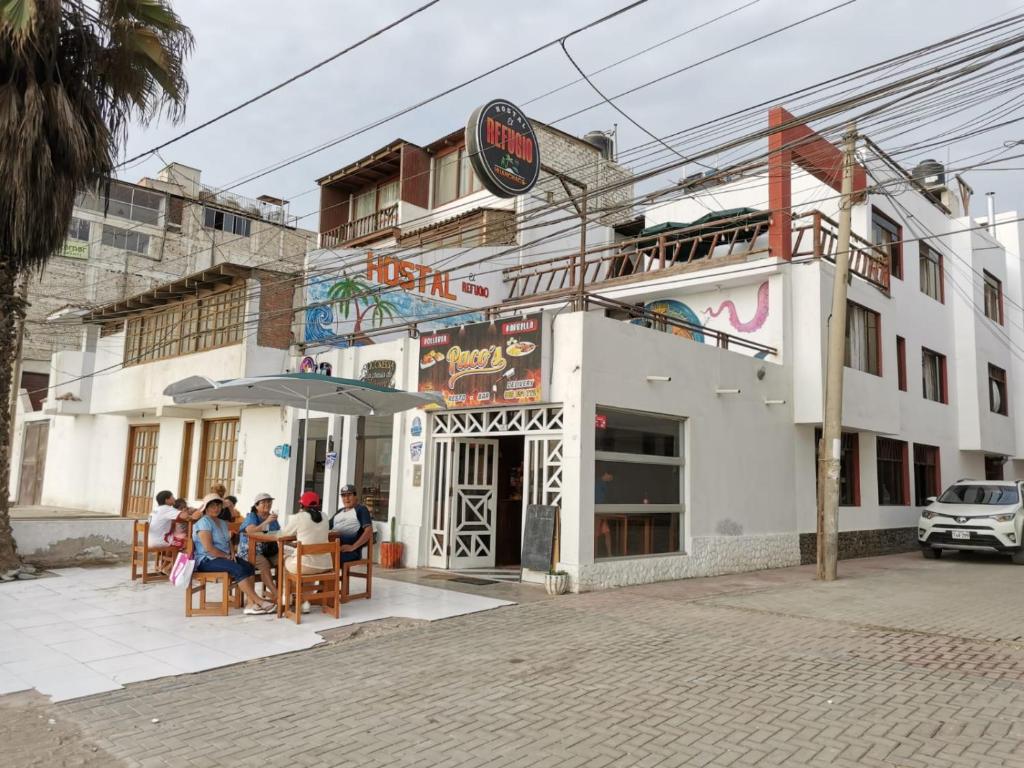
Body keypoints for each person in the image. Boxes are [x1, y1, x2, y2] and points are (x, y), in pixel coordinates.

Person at [192, 494, 275, 615]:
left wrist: (231, 552)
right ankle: (259, 601)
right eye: (213, 505)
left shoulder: (222, 522)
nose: (216, 508)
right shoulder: (204, 522)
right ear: (206, 507)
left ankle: (251, 604)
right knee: (238, 569)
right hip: (207, 560)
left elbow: (228, 540)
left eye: (218, 505)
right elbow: (209, 548)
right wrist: (226, 556)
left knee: (249, 566)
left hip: (223, 557)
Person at [280, 491, 333, 614]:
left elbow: (284, 534)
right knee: (307, 562)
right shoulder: (325, 516)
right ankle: (304, 601)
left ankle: (285, 596)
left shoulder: (298, 517)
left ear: (302, 505)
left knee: (285, 559)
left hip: (305, 566)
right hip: (325, 565)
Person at [238, 493, 280, 603]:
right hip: (249, 551)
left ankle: (287, 591)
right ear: (256, 506)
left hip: (268, 550)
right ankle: (278, 595)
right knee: (264, 564)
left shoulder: (272, 517)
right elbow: (251, 531)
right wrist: (267, 522)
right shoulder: (252, 516)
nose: (267, 504)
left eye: (269, 501)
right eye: (263, 502)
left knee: (284, 561)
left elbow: (278, 533)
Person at [330, 484, 373, 564]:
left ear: (355, 496)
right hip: (333, 548)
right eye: (343, 496)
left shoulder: (361, 509)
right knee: (317, 557)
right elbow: (326, 526)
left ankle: (335, 576)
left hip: (349, 552)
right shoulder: (339, 511)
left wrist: (353, 547)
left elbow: (369, 531)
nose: (346, 499)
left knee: (326, 560)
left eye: (349, 495)